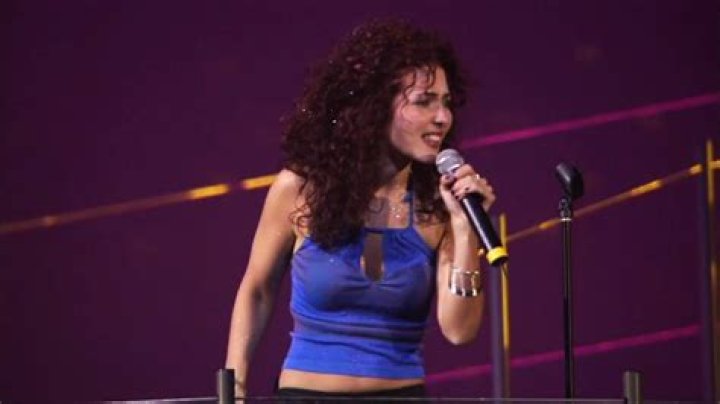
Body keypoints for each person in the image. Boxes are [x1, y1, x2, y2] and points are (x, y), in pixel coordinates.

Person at [225, 19, 495, 401]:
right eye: (424, 101)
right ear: (376, 106)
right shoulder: (300, 189)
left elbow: (459, 331)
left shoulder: (440, 207)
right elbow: (257, 289)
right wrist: (233, 389)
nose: (442, 117)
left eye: (446, 102)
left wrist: (465, 230)